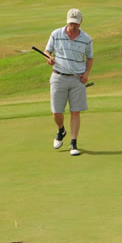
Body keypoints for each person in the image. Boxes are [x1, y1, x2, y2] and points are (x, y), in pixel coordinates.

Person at [44, 8, 93, 156]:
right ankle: (61, 130)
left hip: (77, 79)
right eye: (71, 23)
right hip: (58, 77)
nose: (73, 26)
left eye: (76, 24)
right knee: (56, 112)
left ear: (81, 22)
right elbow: (47, 51)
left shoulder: (86, 38)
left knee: (75, 111)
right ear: (67, 21)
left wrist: (86, 74)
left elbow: (90, 58)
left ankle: (73, 143)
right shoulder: (56, 34)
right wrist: (49, 59)